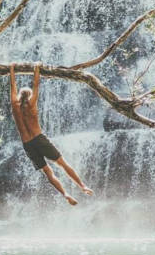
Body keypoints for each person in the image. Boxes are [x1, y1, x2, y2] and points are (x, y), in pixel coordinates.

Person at [9, 62, 93, 205]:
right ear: (29, 96)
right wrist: (37, 68)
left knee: (48, 172)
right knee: (62, 164)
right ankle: (82, 186)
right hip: (39, 139)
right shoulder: (31, 104)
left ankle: (65, 194)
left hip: (27, 144)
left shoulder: (14, 105)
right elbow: (36, 85)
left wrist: (11, 69)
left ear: (19, 96)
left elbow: (13, 86)